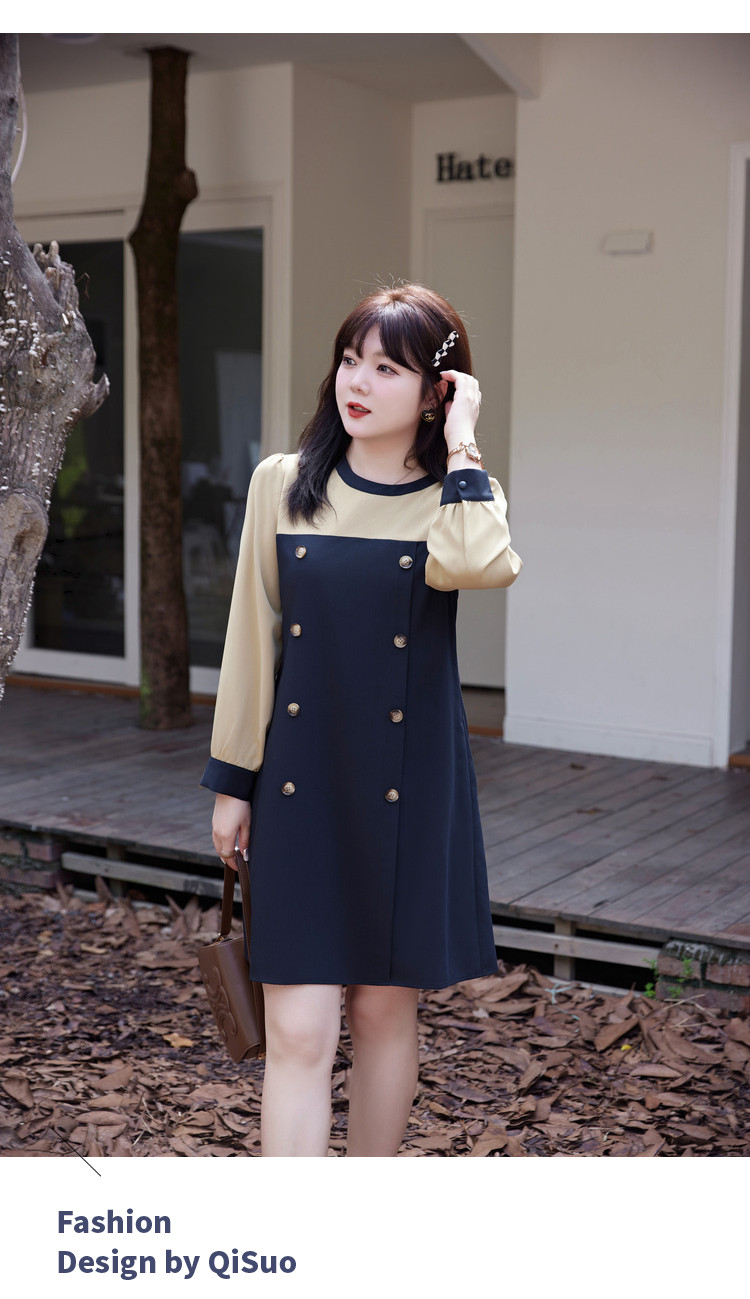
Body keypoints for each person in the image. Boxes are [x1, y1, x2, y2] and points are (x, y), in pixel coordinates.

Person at [200, 282, 522, 1157]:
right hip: (300, 784)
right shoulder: (282, 484)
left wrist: (463, 441)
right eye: (351, 360)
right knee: (299, 1031)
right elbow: (251, 639)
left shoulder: (457, 498)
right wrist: (233, 782)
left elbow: (484, 566)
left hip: (409, 788)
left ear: (435, 391)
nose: (359, 382)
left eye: (388, 368)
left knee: (384, 1016)